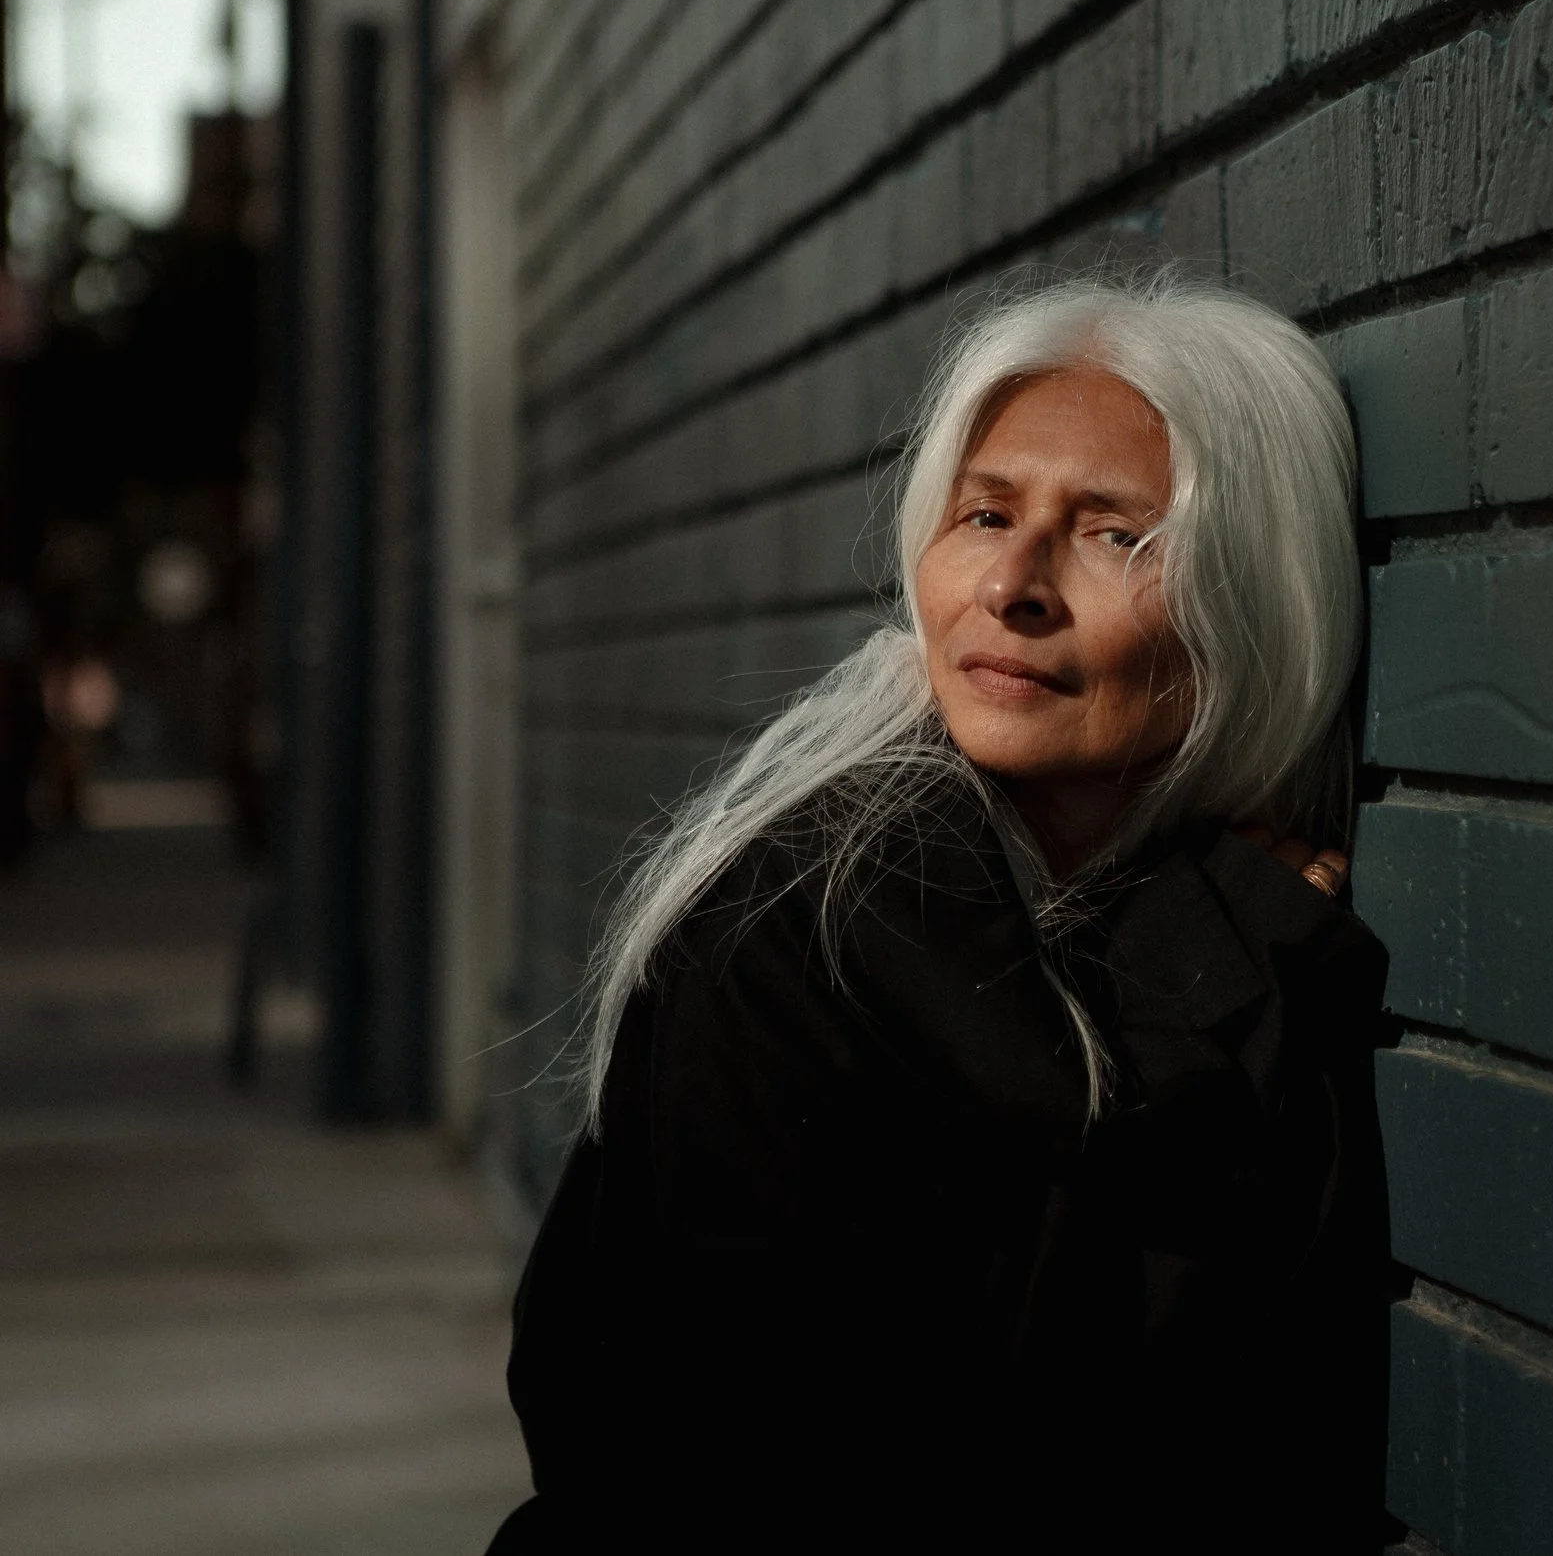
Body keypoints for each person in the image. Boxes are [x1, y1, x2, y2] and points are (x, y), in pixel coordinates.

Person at [487, 272, 1391, 1552]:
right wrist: (1205, 977)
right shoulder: (802, 926)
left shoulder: (1177, 904)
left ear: (1256, 601)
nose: (1013, 581)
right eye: (984, 512)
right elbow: (977, 1435)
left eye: (1113, 532)